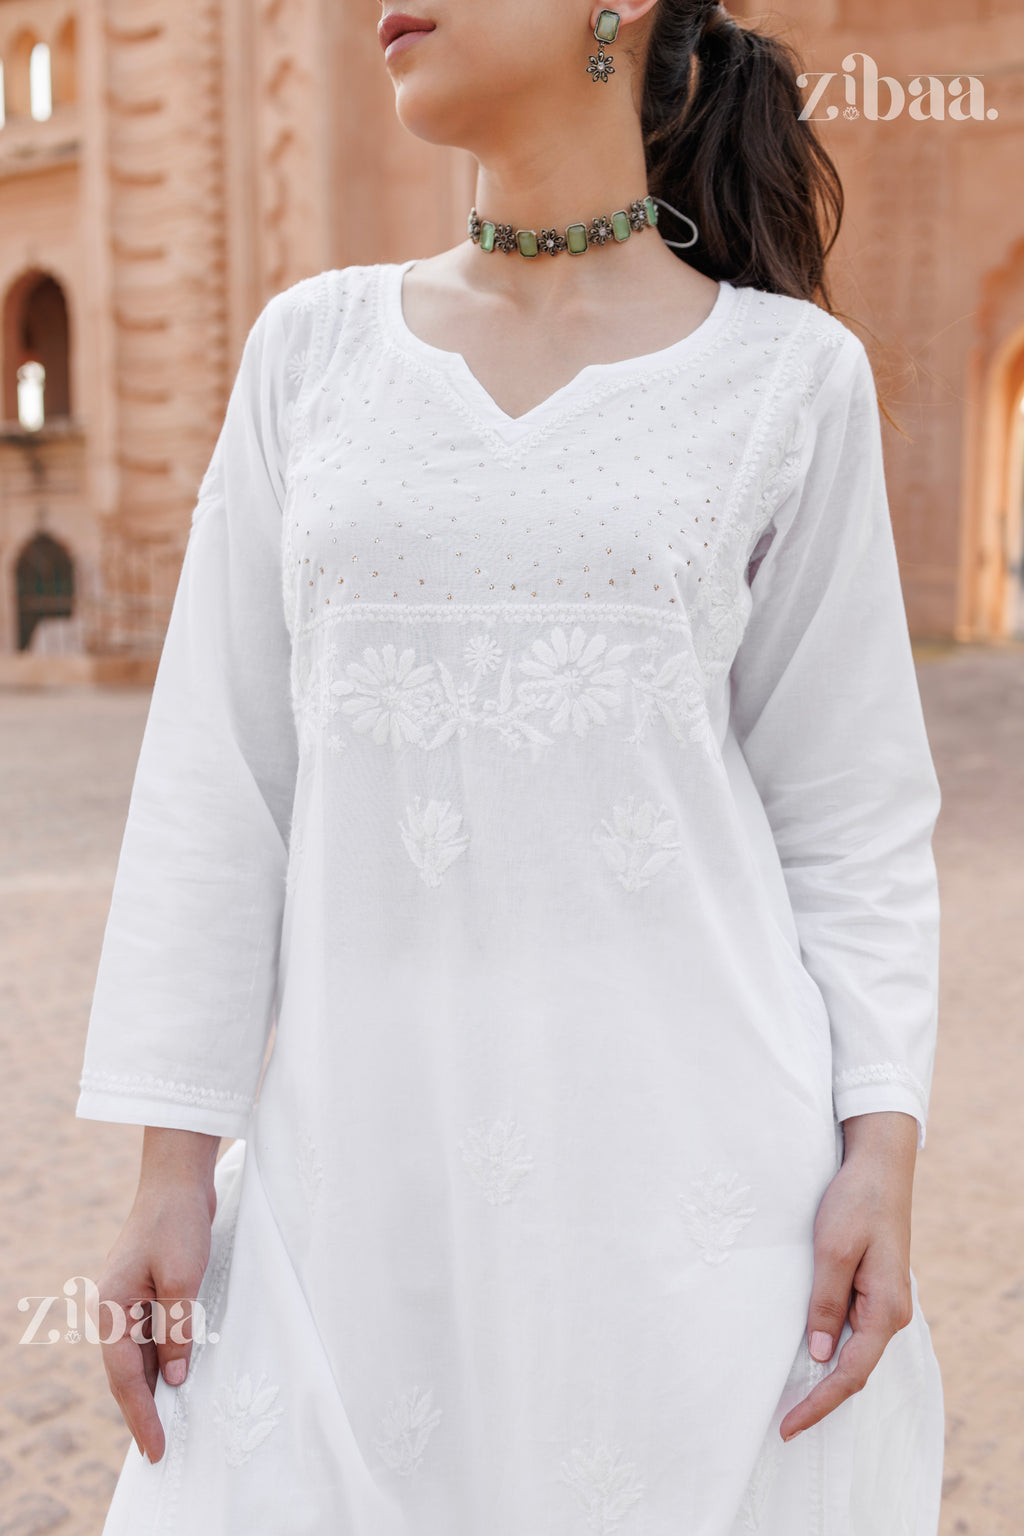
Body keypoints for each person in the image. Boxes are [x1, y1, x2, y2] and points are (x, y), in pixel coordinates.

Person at [76, 2, 946, 1532]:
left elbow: (852, 812)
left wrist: (882, 1151)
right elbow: (220, 777)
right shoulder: (312, 354)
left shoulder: (791, 381)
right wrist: (172, 1166)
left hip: (706, 1207)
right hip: (353, 1190)